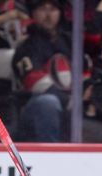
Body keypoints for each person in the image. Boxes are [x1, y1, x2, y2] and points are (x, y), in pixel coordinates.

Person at [12, 0, 72, 142]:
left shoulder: (70, 42)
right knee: (48, 102)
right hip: (34, 107)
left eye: (53, 9)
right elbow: (34, 81)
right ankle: (52, 157)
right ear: (33, 13)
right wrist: (70, 100)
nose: (48, 14)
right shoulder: (26, 46)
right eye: (43, 9)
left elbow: (85, 73)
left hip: (71, 103)